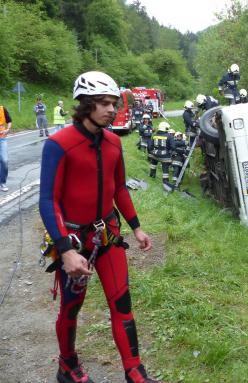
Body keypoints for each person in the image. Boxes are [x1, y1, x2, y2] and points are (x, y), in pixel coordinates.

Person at [39, 71, 162, 383]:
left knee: (122, 302)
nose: (111, 109)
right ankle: (67, 364)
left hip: (106, 235)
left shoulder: (112, 142)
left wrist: (136, 228)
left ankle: (135, 370)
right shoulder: (59, 145)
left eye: (113, 103)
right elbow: (48, 200)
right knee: (72, 307)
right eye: (104, 103)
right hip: (73, 241)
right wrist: (65, 251)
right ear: (86, 105)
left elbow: (119, 188)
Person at [149, 121, 174, 185]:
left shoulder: (154, 136)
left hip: (155, 154)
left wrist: (152, 151)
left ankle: (152, 175)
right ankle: (165, 182)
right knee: (165, 168)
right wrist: (170, 153)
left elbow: (150, 146)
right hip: (165, 156)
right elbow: (173, 147)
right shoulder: (169, 136)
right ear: (165, 128)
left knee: (153, 164)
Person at [0, 103, 12, 192]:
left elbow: (9, 120)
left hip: (2, 139)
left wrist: (8, 129)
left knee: (4, 160)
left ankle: (2, 183)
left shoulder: (2, 108)